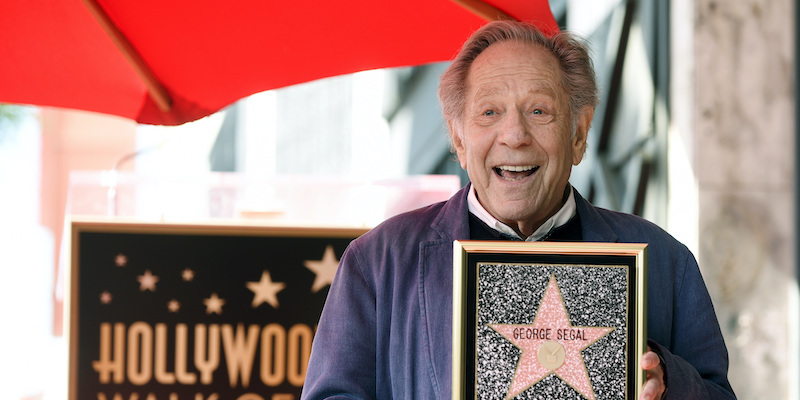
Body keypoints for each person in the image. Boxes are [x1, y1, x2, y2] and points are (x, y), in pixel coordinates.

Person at [301, 20, 735, 400]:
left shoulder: (664, 260)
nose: (514, 134)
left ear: (579, 134)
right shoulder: (378, 263)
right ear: (458, 138)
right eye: (490, 112)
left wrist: (667, 379)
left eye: (539, 110)